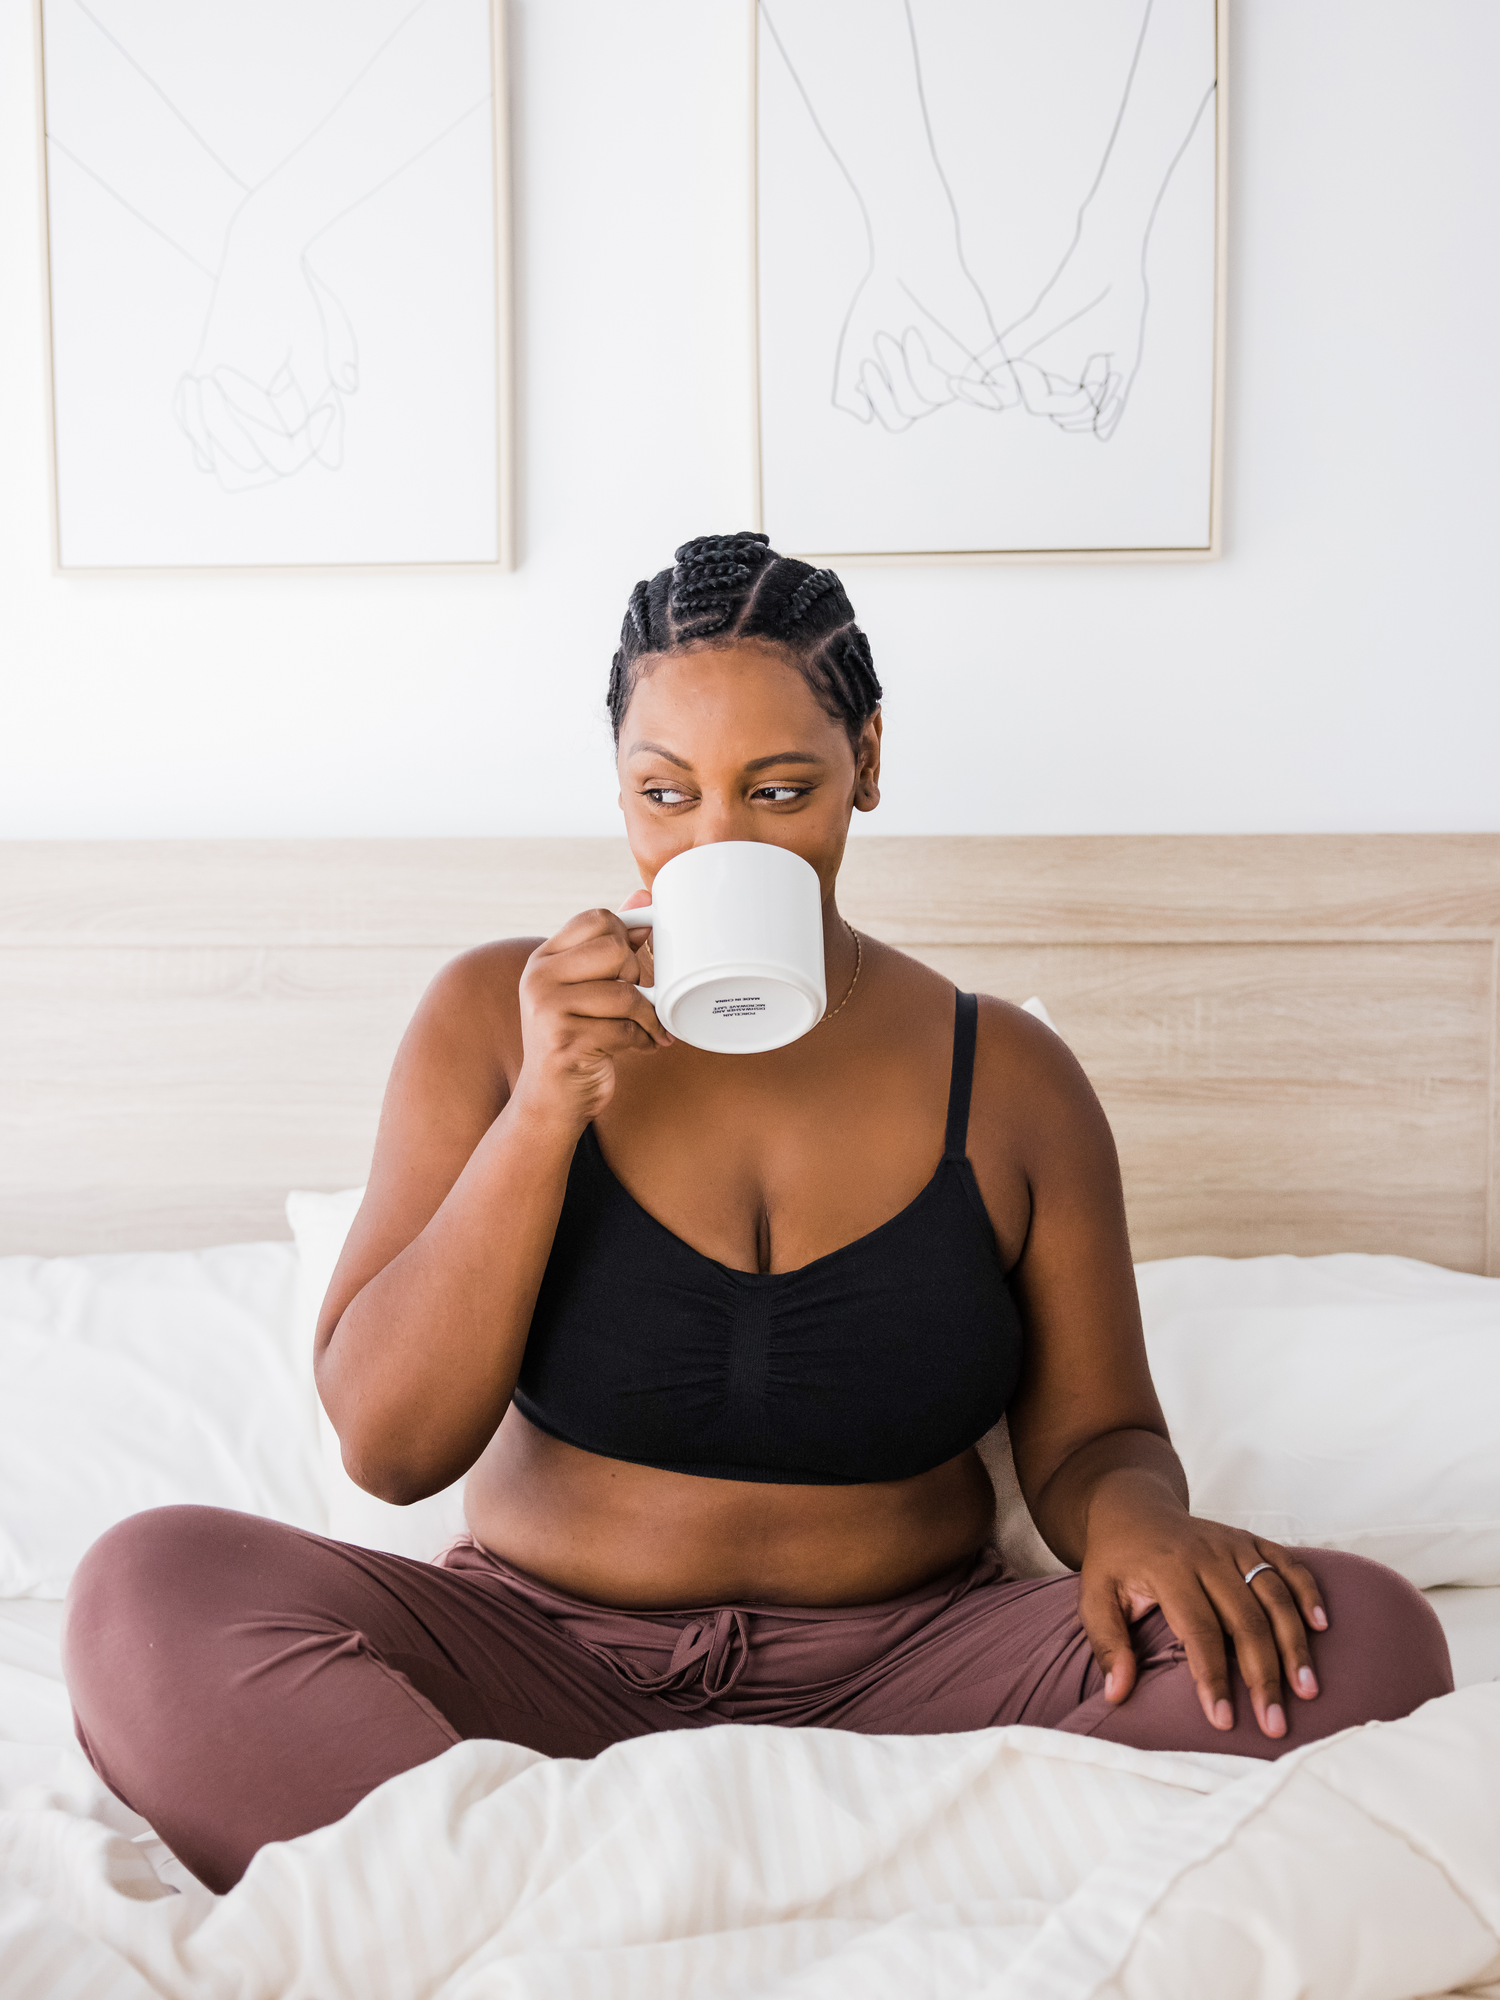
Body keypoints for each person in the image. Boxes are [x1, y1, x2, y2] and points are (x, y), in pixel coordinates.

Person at [64, 533, 1452, 1893]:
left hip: (921, 1682)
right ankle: (855, 1874)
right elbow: (390, 1448)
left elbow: (1099, 1438)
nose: (716, 842)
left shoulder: (1011, 1080)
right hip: (532, 1664)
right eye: (666, 795)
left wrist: (1140, 1523)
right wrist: (545, 1109)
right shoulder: (495, 1019)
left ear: (870, 765)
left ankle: (540, 1888)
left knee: (1365, 1636)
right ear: (620, 787)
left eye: (780, 791)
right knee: (149, 1588)